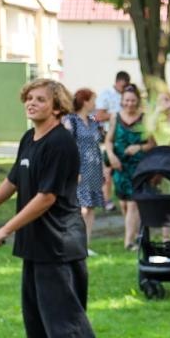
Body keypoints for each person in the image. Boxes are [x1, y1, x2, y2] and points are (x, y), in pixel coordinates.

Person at [0, 80, 106, 338]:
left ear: (57, 107)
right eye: (29, 98)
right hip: (38, 240)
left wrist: (6, 228)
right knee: (42, 304)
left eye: (40, 99)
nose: (32, 103)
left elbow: (47, 197)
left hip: (59, 238)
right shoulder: (30, 137)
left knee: (63, 304)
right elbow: (14, 179)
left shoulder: (60, 143)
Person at [65, 89, 110, 255]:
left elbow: (101, 143)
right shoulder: (71, 121)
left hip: (94, 168)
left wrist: (104, 168)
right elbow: (68, 146)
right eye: (93, 100)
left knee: (90, 207)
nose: (95, 104)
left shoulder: (93, 121)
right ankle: (74, 244)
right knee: (80, 207)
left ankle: (86, 244)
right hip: (79, 168)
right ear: (85, 101)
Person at [106, 84, 150, 250]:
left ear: (137, 100)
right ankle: (137, 233)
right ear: (122, 101)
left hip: (138, 166)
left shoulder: (144, 118)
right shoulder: (115, 117)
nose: (129, 103)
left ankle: (128, 242)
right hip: (119, 164)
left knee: (133, 203)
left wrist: (138, 147)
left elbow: (151, 143)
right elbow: (109, 140)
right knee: (124, 203)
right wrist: (111, 156)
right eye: (126, 100)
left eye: (132, 100)